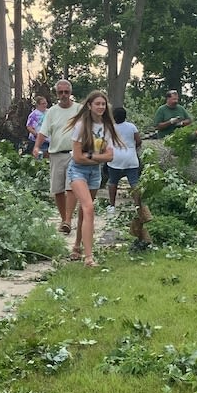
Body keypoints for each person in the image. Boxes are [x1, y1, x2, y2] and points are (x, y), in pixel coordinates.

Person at [66, 90, 120, 267]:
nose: (101, 107)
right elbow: (77, 157)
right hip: (78, 171)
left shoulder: (107, 128)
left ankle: (77, 246)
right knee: (89, 208)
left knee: (84, 211)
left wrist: (90, 156)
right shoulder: (81, 126)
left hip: (95, 172)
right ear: (89, 106)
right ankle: (89, 258)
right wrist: (96, 156)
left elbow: (110, 156)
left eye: (103, 104)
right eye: (97, 104)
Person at [32, 81, 80, 233]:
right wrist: (37, 146)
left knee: (71, 186)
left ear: (70, 92)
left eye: (66, 92)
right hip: (56, 154)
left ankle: (68, 219)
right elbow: (43, 131)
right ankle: (63, 218)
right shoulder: (52, 112)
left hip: (74, 153)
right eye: (61, 92)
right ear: (57, 94)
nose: (64, 95)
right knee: (58, 189)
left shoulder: (79, 109)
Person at [106, 106, 142, 212]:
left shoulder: (110, 128)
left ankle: (112, 206)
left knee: (113, 182)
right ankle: (137, 206)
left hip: (115, 158)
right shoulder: (132, 127)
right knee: (134, 182)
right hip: (130, 158)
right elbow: (138, 141)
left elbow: (106, 143)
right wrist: (132, 149)